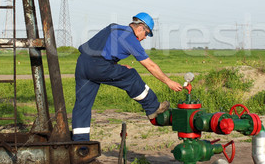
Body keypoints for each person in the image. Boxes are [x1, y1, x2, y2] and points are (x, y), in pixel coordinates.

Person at [71, 12, 183, 141]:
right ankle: (153, 107)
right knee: (132, 76)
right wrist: (168, 82)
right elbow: (150, 66)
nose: (145, 38)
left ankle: (80, 144)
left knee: (82, 105)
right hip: (99, 66)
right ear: (141, 27)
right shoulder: (130, 38)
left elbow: (103, 50)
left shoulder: (113, 28)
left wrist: (117, 65)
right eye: (146, 34)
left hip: (82, 64)